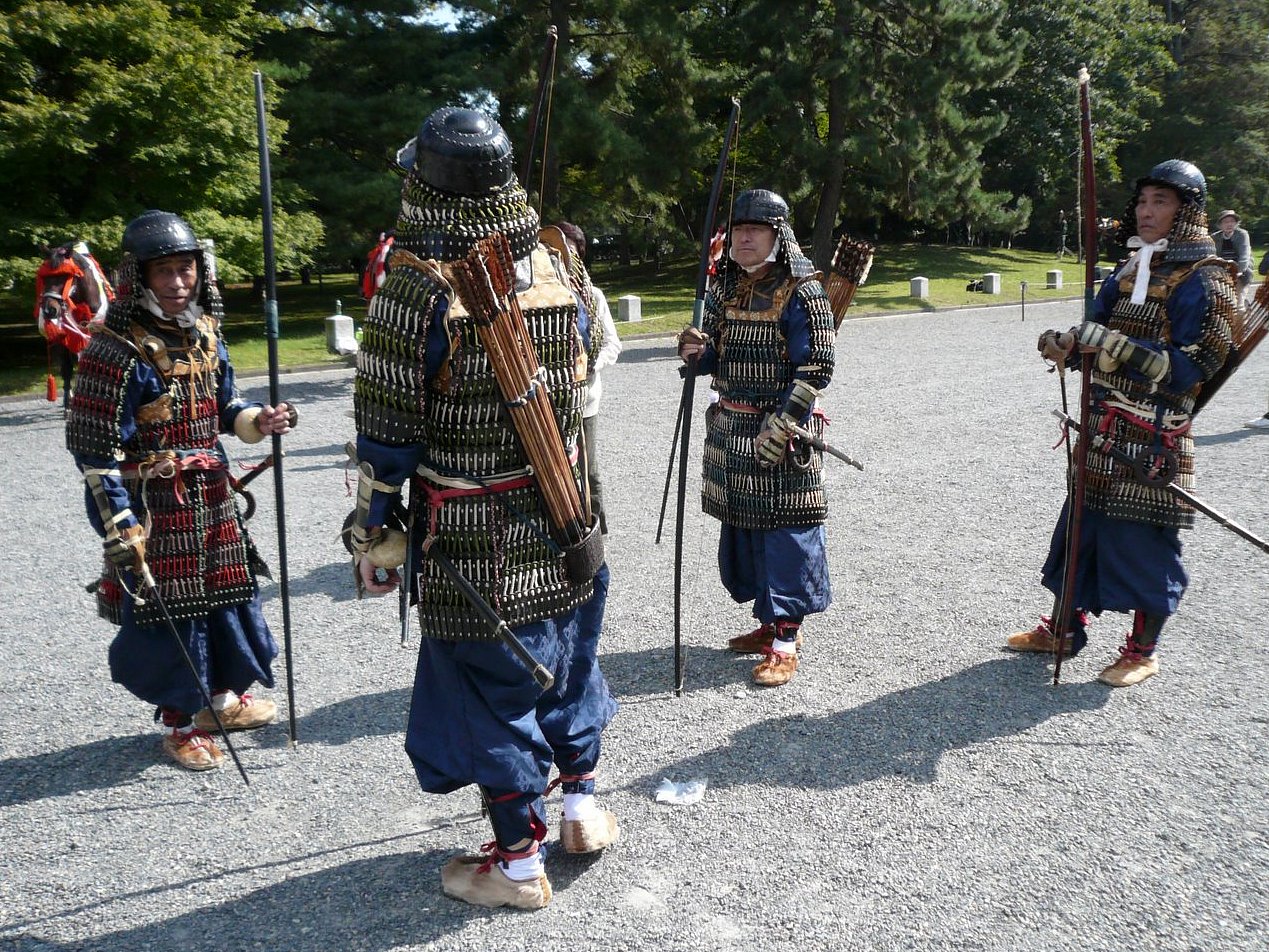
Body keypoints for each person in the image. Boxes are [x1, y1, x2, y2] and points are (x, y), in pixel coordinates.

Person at [350, 107, 618, 910]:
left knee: (488, 686)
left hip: (476, 531)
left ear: (425, 185)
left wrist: (371, 531)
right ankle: (579, 809)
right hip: (566, 507)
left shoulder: (413, 286)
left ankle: (517, 866)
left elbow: (386, 433)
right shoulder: (553, 262)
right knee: (567, 657)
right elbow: (581, 374)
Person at [65, 210, 295, 770]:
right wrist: (121, 525)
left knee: (228, 599)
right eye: (163, 271)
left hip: (212, 497)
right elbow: (95, 456)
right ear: (139, 278)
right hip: (155, 505)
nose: (176, 282)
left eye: (185, 269)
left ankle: (221, 701)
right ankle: (177, 722)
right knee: (168, 612)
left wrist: (256, 422)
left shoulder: (205, 334)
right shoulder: (112, 350)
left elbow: (224, 406)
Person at [1008, 160, 1236, 687]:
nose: (1146, 211)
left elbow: (1192, 368)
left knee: (1144, 542)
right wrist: (1067, 342)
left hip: (1155, 434)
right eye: (1142, 201)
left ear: (1188, 212)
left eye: (1160, 202)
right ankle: (1064, 628)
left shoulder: (1208, 279)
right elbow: (1097, 325)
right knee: (1080, 530)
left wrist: (1111, 346)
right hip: (1102, 427)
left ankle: (1142, 650)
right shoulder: (1132, 268)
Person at [677, 188, 836, 688]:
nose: (744, 238)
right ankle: (769, 624)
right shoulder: (727, 289)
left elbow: (817, 368)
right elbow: (719, 360)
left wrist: (785, 423)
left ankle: (786, 642)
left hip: (779, 429)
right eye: (739, 229)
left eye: (755, 229)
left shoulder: (804, 292)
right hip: (731, 428)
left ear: (777, 235)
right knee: (746, 530)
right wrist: (695, 353)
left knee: (787, 531)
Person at [553, 221, 622, 532]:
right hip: (549, 401)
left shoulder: (593, 296)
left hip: (586, 400)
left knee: (587, 468)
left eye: (566, 249)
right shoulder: (539, 297)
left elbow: (612, 342)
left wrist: (595, 362)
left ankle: (595, 528)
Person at [1210, 209, 1253, 304]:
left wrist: (1240, 271)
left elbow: (1245, 254)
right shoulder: (1215, 237)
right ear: (1220, 225)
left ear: (1236, 223)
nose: (1229, 224)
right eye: (1225, 222)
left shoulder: (1242, 234)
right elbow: (1212, 256)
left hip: (1241, 272)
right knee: (1219, 303)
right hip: (1223, 272)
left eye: (1232, 221)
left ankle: (1242, 312)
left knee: (1238, 303)